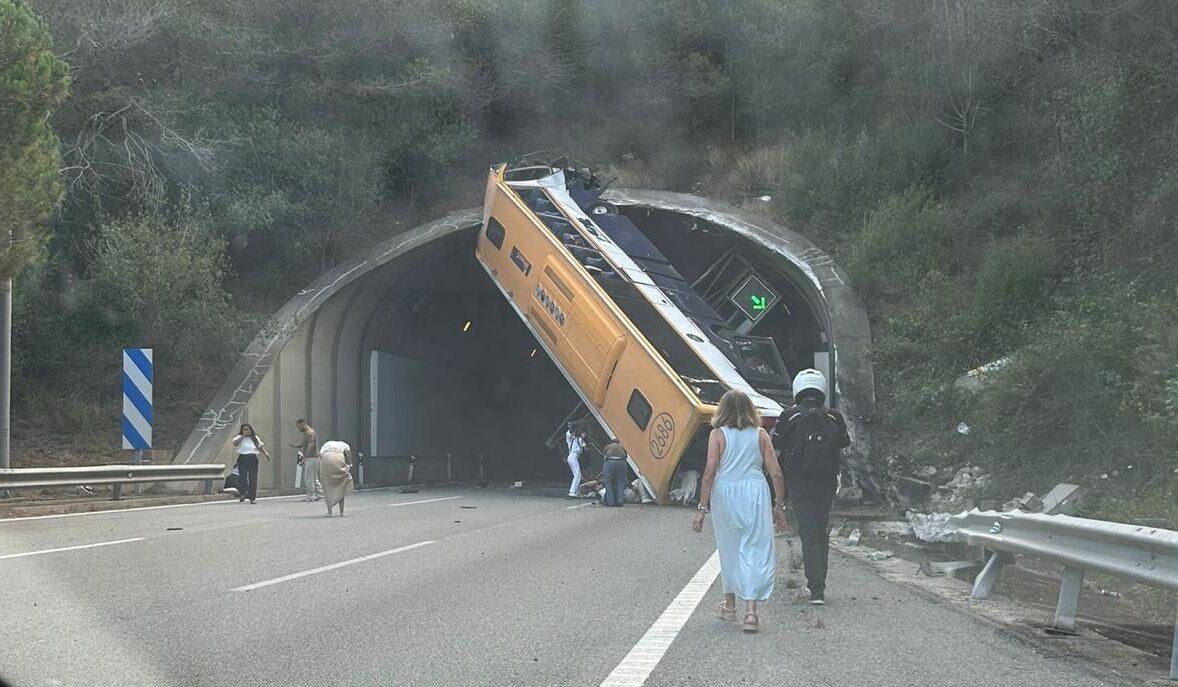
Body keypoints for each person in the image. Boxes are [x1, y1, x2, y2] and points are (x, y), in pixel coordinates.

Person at [692, 390, 788, 633]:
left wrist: (702, 509)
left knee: (730, 547)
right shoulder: (761, 435)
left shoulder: (717, 435)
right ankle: (751, 613)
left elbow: (710, 471)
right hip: (755, 492)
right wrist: (779, 505)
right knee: (754, 548)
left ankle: (730, 606)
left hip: (726, 493)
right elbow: (776, 472)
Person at [772, 368, 850, 606]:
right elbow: (845, 443)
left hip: (799, 481)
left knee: (807, 530)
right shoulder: (834, 417)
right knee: (820, 528)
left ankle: (815, 588)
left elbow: (776, 446)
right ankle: (820, 585)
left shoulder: (788, 416)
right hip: (826, 481)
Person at [231, 423, 270, 504]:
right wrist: (243, 436)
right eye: (244, 429)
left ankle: (252, 497)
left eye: (248, 429)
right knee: (243, 477)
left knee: (253, 478)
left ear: (251, 430)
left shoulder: (254, 438)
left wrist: (266, 453)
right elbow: (235, 443)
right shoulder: (240, 437)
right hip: (242, 458)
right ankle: (243, 493)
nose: (246, 431)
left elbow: (260, 446)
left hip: (252, 458)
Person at [319, 440, 355, 517]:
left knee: (327, 487)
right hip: (338, 457)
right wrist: (349, 465)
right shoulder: (345, 445)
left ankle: (329, 512)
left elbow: (321, 456)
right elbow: (348, 454)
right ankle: (342, 512)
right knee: (341, 484)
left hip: (326, 459)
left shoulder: (326, 444)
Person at [290, 419, 321, 501]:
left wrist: (305, 458)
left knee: (308, 478)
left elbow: (311, 445)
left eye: (298, 426)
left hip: (311, 458)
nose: (298, 429)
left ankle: (310, 496)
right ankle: (320, 495)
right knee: (314, 478)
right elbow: (306, 444)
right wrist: (297, 446)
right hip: (315, 457)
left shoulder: (309, 433)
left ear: (302, 424)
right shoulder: (309, 432)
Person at [601, 438, 628, 507]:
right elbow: (626, 456)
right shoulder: (622, 447)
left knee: (608, 482)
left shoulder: (608, 446)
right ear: (618, 442)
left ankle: (610, 502)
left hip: (610, 462)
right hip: (621, 462)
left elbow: (603, 454)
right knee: (620, 481)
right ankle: (620, 501)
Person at [564, 423, 585, 498]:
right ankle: (572, 492)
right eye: (584, 433)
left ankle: (577, 492)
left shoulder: (578, 439)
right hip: (573, 456)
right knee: (577, 475)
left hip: (573, 457)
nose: (585, 434)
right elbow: (585, 447)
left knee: (577, 474)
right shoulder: (575, 438)